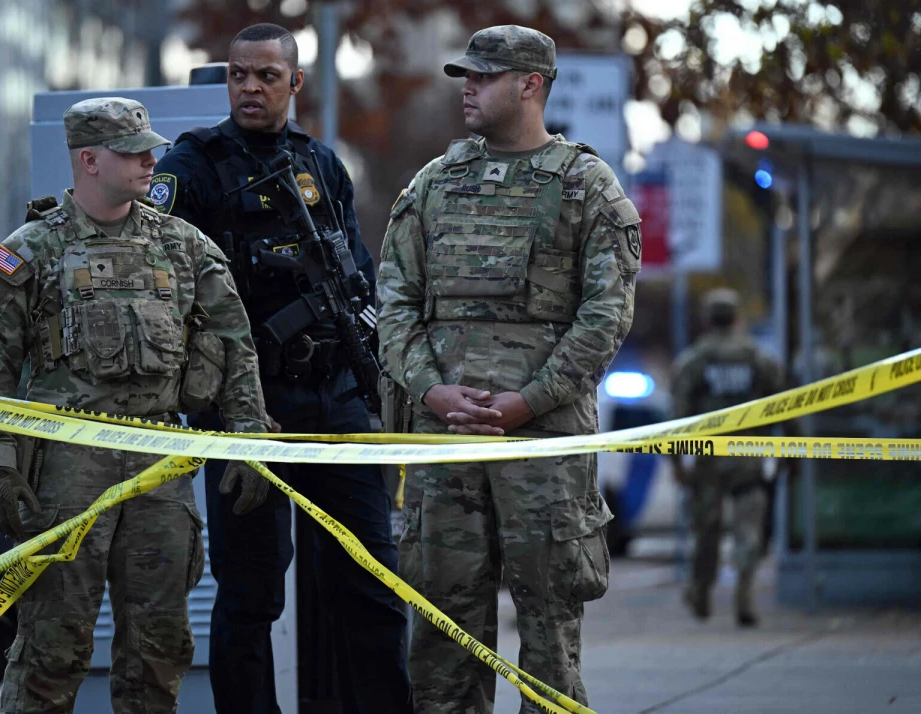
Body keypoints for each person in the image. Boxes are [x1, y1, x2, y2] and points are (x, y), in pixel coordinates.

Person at [0, 97, 269, 714]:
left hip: (159, 465)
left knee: (159, 646)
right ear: (90, 160)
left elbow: (235, 341)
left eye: (149, 148)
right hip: (67, 467)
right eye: (134, 152)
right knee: (53, 642)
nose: (151, 160)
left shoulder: (183, 246)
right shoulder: (32, 250)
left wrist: (248, 436)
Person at [377, 25, 642, 714]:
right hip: (446, 442)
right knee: (441, 628)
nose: (468, 86)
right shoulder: (435, 183)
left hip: (544, 448)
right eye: (465, 74)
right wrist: (430, 389)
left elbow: (605, 316)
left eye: (485, 76)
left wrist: (531, 400)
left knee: (550, 626)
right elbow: (394, 303)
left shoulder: (586, 188)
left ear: (532, 84)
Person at [149, 23, 412, 714]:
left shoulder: (321, 165)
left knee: (370, 576)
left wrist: (371, 376)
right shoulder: (193, 166)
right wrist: (226, 404)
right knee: (252, 593)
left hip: (334, 399)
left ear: (295, 84)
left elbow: (358, 276)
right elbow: (172, 301)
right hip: (249, 410)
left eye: (267, 75)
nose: (250, 87)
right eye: (239, 74)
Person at [671, 288, 784, 627]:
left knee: (707, 528)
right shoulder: (758, 358)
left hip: (708, 461)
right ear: (738, 318)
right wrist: (791, 453)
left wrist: (677, 463)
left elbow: (678, 415)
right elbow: (786, 405)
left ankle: (702, 591)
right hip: (749, 457)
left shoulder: (694, 360)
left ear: (707, 320)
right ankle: (744, 594)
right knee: (748, 528)